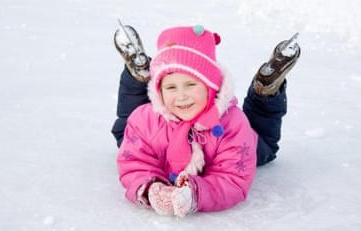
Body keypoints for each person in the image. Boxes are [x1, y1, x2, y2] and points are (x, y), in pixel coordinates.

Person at [112, 23, 300, 218]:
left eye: (191, 84)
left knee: (264, 146)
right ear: (158, 91)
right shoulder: (145, 119)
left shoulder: (232, 124)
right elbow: (135, 162)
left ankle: (265, 91)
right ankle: (139, 77)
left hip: (242, 141)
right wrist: (150, 188)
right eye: (170, 88)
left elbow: (232, 179)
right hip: (153, 120)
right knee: (128, 131)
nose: (182, 96)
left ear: (211, 86)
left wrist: (195, 194)